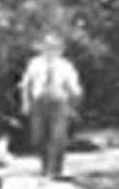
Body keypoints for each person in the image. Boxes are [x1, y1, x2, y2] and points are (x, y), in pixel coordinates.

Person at [19, 32, 82, 178]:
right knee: (38, 135)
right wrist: (25, 103)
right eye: (47, 46)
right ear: (42, 48)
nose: (50, 50)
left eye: (54, 47)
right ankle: (45, 165)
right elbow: (26, 85)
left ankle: (55, 169)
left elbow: (74, 87)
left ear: (60, 49)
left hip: (59, 101)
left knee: (58, 136)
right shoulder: (34, 63)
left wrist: (73, 105)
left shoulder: (66, 65)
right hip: (39, 101)